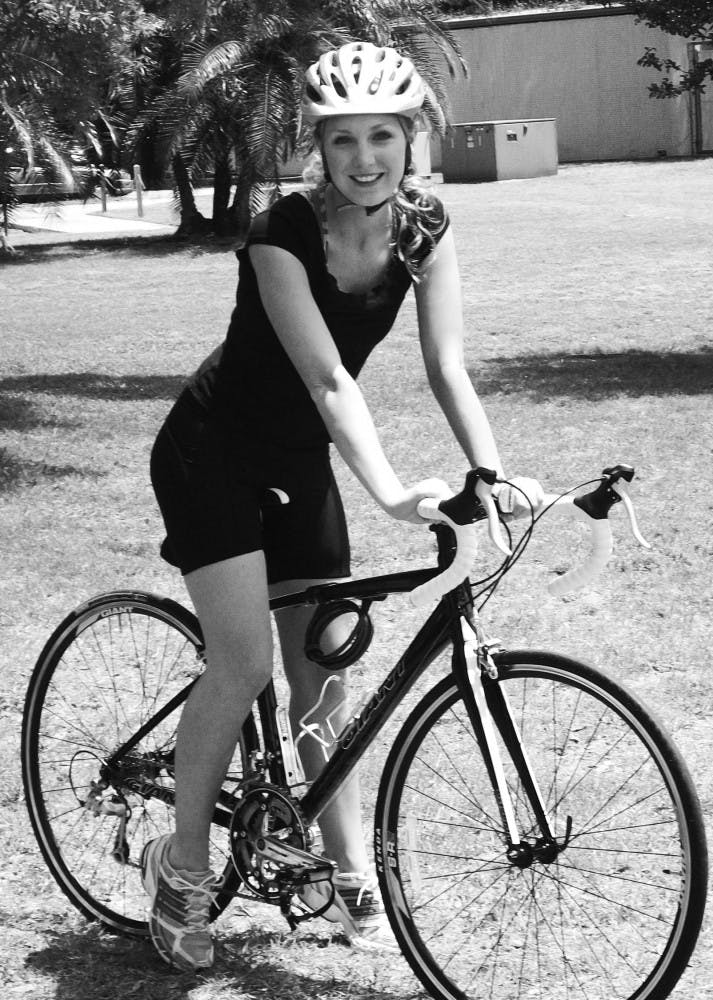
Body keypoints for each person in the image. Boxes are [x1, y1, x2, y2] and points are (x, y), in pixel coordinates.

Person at [142, 40, 537, 973]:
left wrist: (489, 471)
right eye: (342, 139)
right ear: (317, 148)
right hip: (214, 455)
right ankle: (180, 867)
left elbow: (445, 365)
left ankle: (345, 869)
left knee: (324, 667)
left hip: (299, 464)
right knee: (241, 663)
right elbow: (325, 377)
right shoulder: (282, 232)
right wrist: (395, 491)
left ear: (413, 138)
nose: (365, 158)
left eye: (383, 138)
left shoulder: (424, 228)